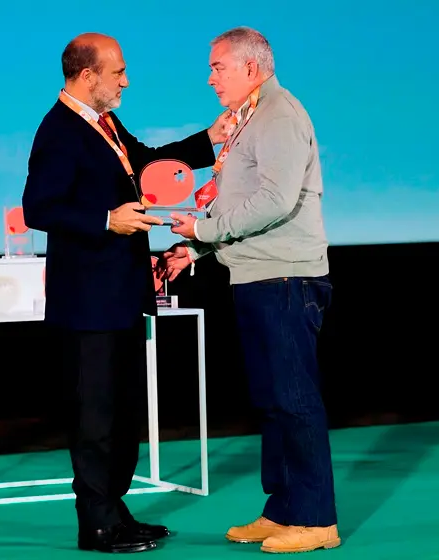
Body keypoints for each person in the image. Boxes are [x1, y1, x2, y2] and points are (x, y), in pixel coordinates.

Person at [21, 32, 231, 554]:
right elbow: (38, 209)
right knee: (95, 413)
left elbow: (148, 164)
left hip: (119, 293)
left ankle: (114, 509)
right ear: (87, 75)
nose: (126, 80)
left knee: (120, 411)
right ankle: (95, 523)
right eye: (117, 72)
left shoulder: (106, 124)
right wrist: (104, 219)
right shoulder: (59, 130)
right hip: (87, 299)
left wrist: (212, 137)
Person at [157, 27, 341, 554]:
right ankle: (283, 509)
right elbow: (237, 202)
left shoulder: (279, 115)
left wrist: (202, 232)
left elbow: (276, 201)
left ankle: (315, 519)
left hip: (286, 276)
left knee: (295, 398)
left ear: (251, 69)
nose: (210, 77)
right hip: (256, 275)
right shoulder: (248, 120)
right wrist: (194, 250)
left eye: (218, 67)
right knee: (273, 400)